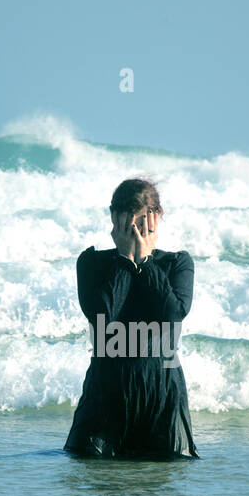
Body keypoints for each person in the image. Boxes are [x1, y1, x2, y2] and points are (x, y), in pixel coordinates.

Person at [64, 178, 199, 459]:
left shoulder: (176, 264)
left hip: (162, 397)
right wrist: (125, 261)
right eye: (129, 225)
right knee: (88, 468)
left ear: (157, 217)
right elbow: (103, 316)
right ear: (114, 218)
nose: (135, 232)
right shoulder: (92, 264)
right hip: (104, 395)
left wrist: (147, 262)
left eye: (141, 225)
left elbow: (172, 316)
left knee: (167, 474)